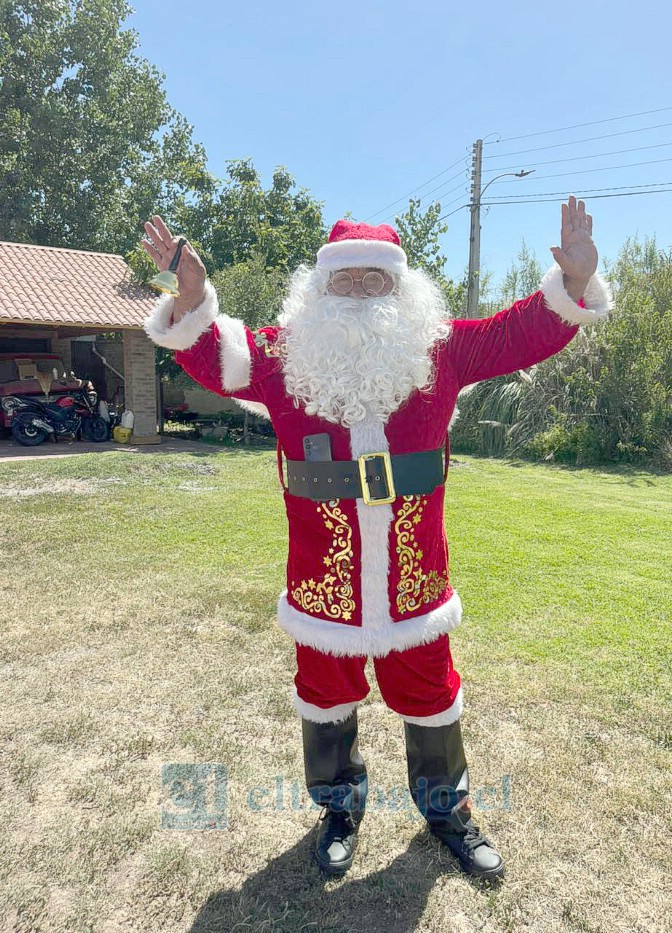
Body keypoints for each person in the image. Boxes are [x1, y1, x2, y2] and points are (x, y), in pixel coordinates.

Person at [141, 197, 612, 882]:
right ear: (318, 288)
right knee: (324, 695)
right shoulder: (279, 354)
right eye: (344, 280)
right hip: (321, 582)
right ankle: (338, 809)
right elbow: (213, 359)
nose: (359, 294)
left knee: (430, 696)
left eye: (375, 281)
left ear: (403, 289)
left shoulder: (440, 350)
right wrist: (191, 296)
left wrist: (572, 285)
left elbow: (521, 334)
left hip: (413, 580)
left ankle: (446, 812)